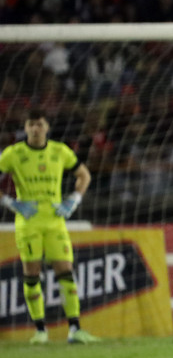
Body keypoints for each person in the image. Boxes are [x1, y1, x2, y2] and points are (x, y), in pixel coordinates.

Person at [0, 110, 99, 344]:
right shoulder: (13, 154)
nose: (36, 128)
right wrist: (9, 202)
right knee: (32, 274)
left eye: (40, 124)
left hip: (55, 220)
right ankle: (40, 331)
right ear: (25, 128)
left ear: (47, 127)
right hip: (28, 222)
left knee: (65, 270)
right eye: (31, 124)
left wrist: (74, 199)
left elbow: (84, 175)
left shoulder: (59, 151)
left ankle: (75, 329)